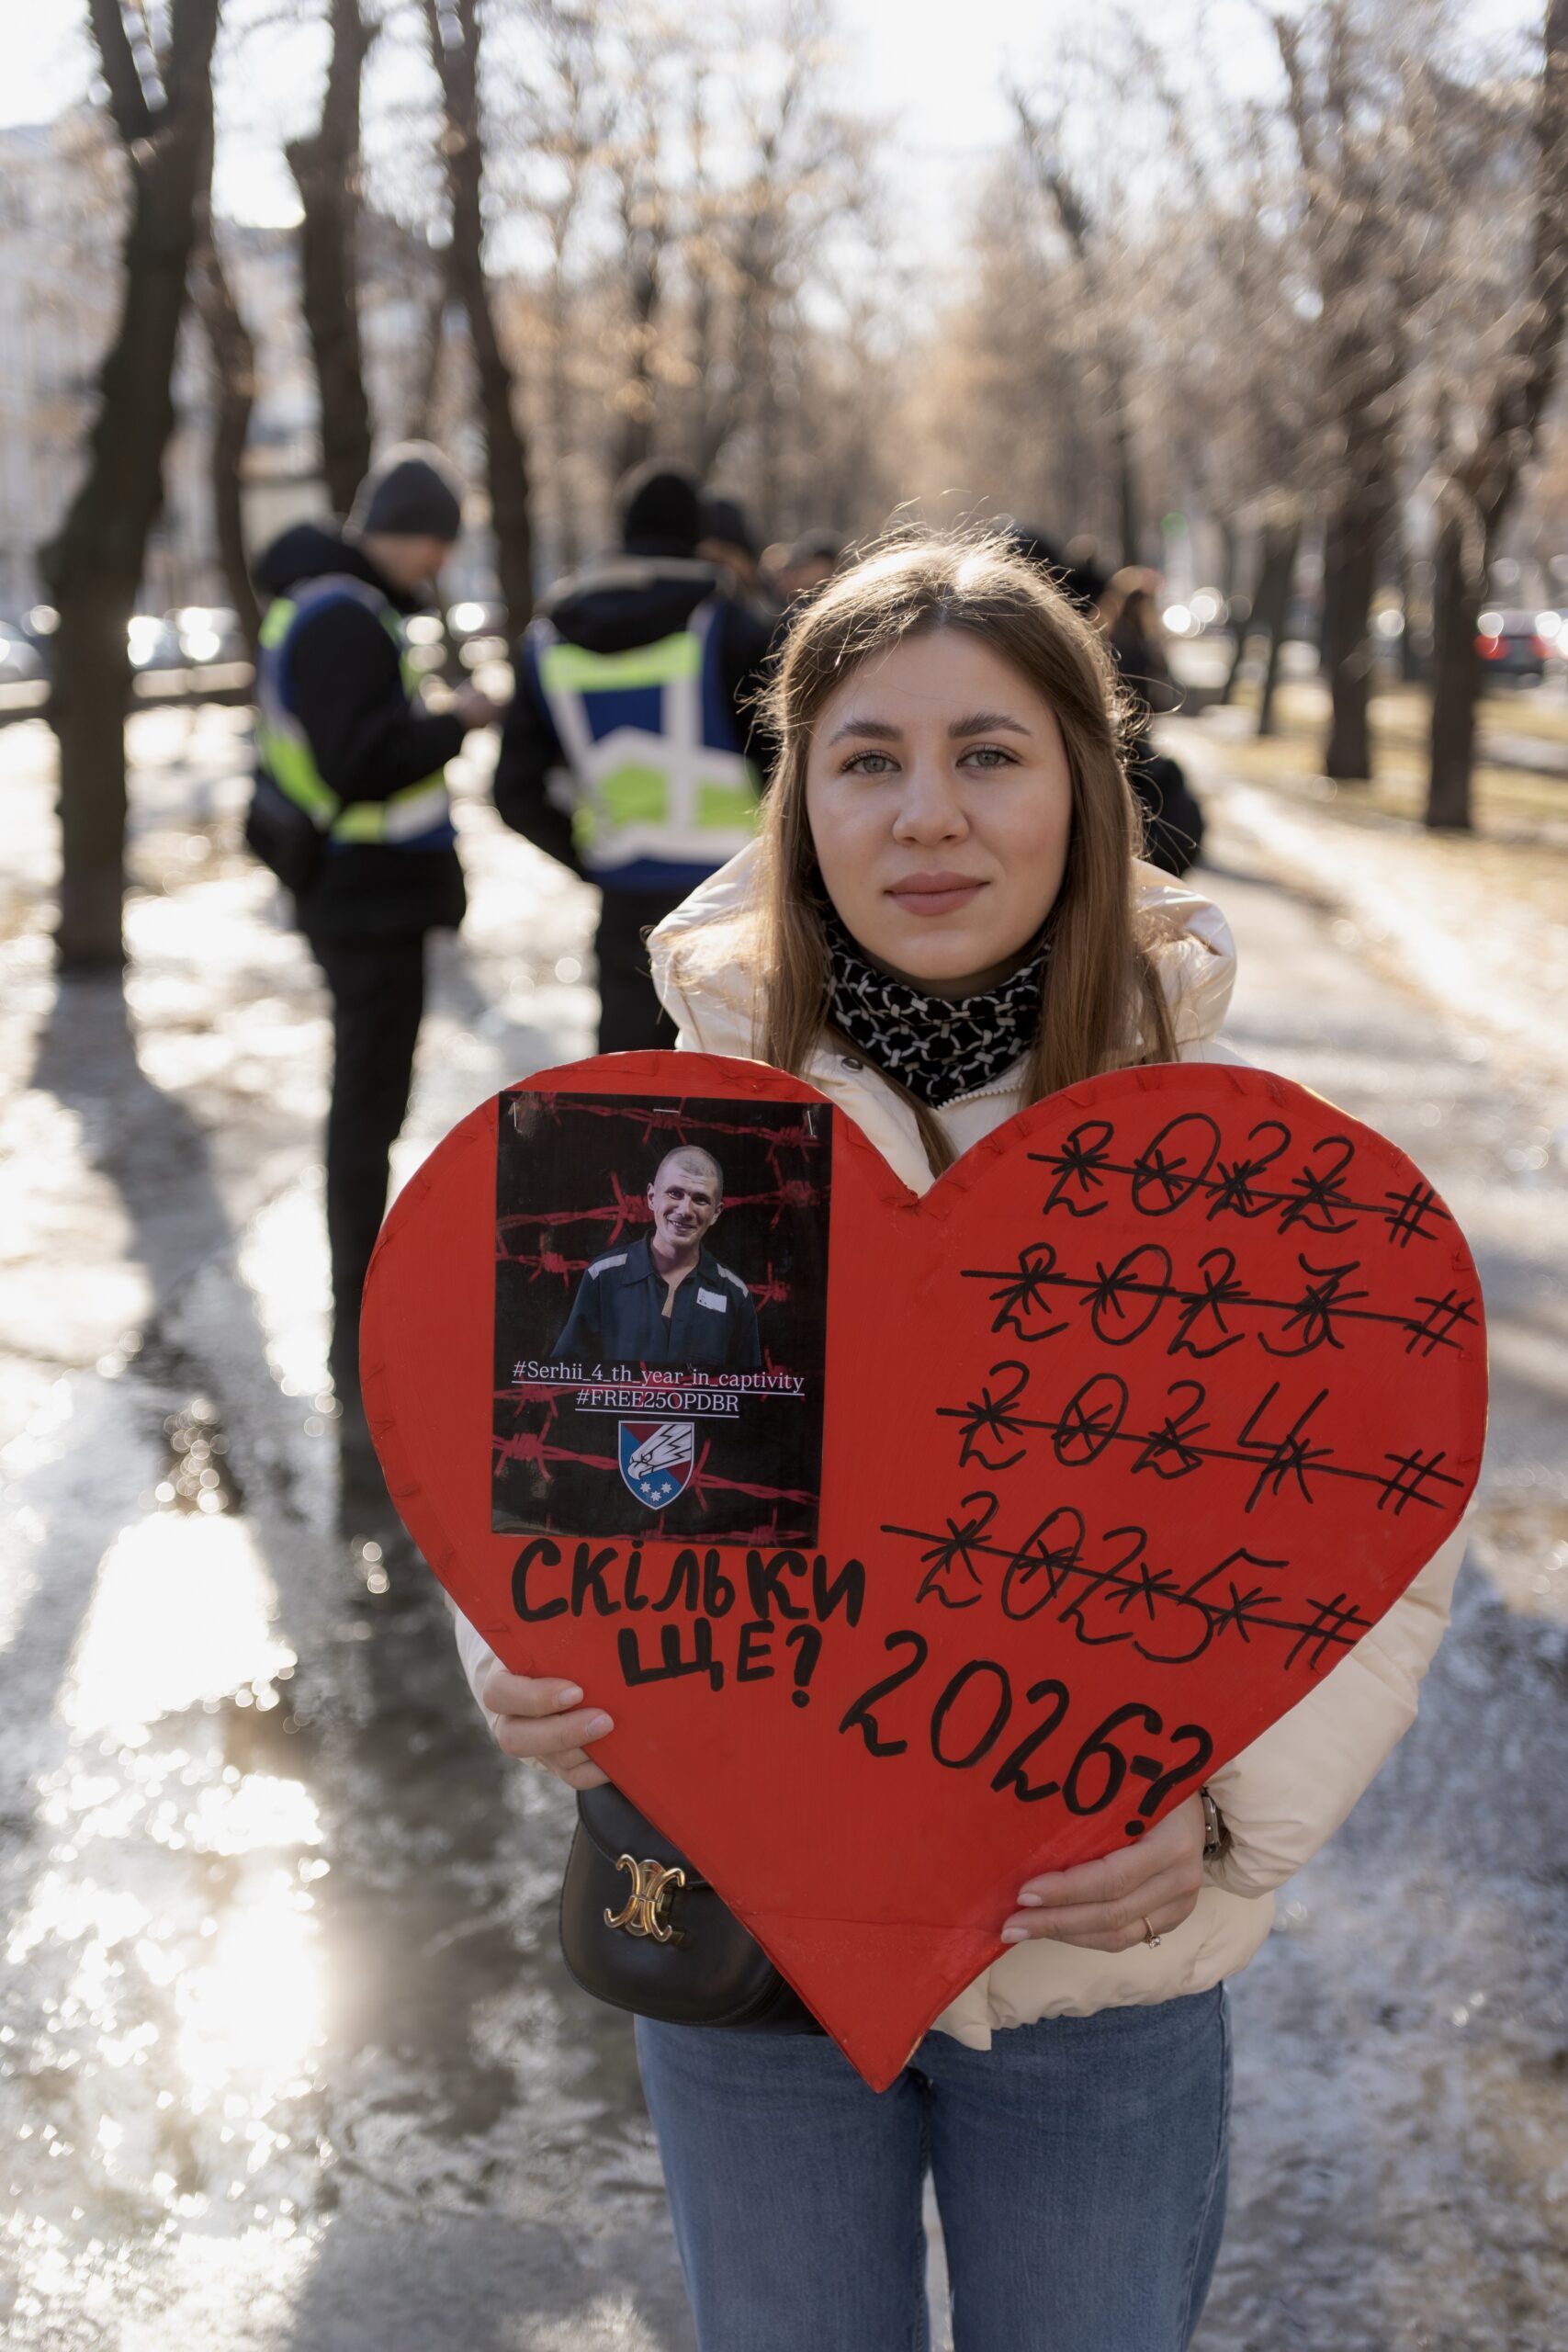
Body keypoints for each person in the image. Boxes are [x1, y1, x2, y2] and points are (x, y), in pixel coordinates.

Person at [453, 536, 1463, 2350]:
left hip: (1100, 1960)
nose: (929, 814)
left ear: (1084, 782)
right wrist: (517, 1660)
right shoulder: (680, 1133)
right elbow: (559, 1465)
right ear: (798, 799)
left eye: (987, 753)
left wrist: (1229, 1813)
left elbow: (1375, 1529)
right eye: (868, 757)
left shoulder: (1232, 1167)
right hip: (743, 1937)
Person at [251, 443, 498, 1508]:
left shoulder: (324, 603)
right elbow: (362, 758)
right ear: (413, 528)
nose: (441, 560)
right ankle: (359, 1303)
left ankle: (361, 1286)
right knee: (366, 1109)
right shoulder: (349, 614)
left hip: (353, 895)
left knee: (369, 1103)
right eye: (438, 537)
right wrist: (457, 719)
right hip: (366, 900)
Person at [494, 460, 775, 1052]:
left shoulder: (548, 637)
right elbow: (791, 768)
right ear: (699, 537)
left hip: (626, 908)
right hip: (738, 899)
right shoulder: (730, 624)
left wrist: (593, 859)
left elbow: (513, 792)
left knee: (629, 1095)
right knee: (747, 1095)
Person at [551, 1145, 761, 1371]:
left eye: (700, 1199)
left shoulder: (735, 1294)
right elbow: (566, 1377)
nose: (685, 1210)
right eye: (675, 1193)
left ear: (716, 1213)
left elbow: (745, 1391)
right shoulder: (603, 1277)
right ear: (651, 1198)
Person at [1097, 566, 1206, 876]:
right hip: (1130, 728)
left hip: (1122, 726)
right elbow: (1156, 684)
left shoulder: (1108, 634)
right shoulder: (1135, 641)